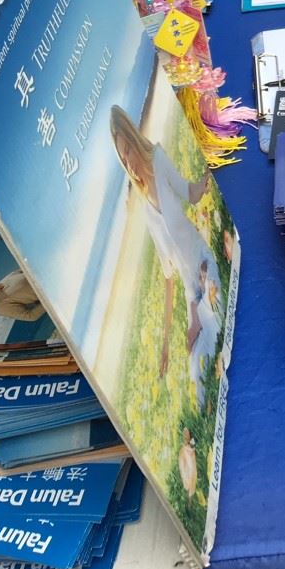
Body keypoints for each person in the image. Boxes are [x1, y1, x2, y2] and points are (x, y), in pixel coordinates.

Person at [110, 105, 223, 408]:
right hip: (191, 293)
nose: (129, 162)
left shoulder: (159, 160)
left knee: (214, 324)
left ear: (135, 141)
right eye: (122, 159)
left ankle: (204, 316)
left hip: (203, 264)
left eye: (128, 151)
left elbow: (192, 193)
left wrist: (211, 166)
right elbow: (168, 276)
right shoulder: (145, 209)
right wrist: (164, 346)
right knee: (195, 367)